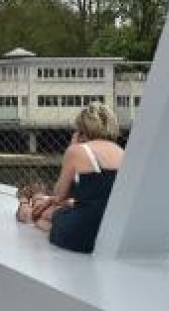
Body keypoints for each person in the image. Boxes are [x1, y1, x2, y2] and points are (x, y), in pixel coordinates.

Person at [27, 105, 123, 253]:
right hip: (113, 228)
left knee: (41, 219)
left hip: (82, 232)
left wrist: (72, 146)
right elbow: (102, 192)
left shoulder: (78, 151)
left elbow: (59, 195)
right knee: (57, 212)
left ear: (82, 131)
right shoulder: (122, 152)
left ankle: (28, 209)